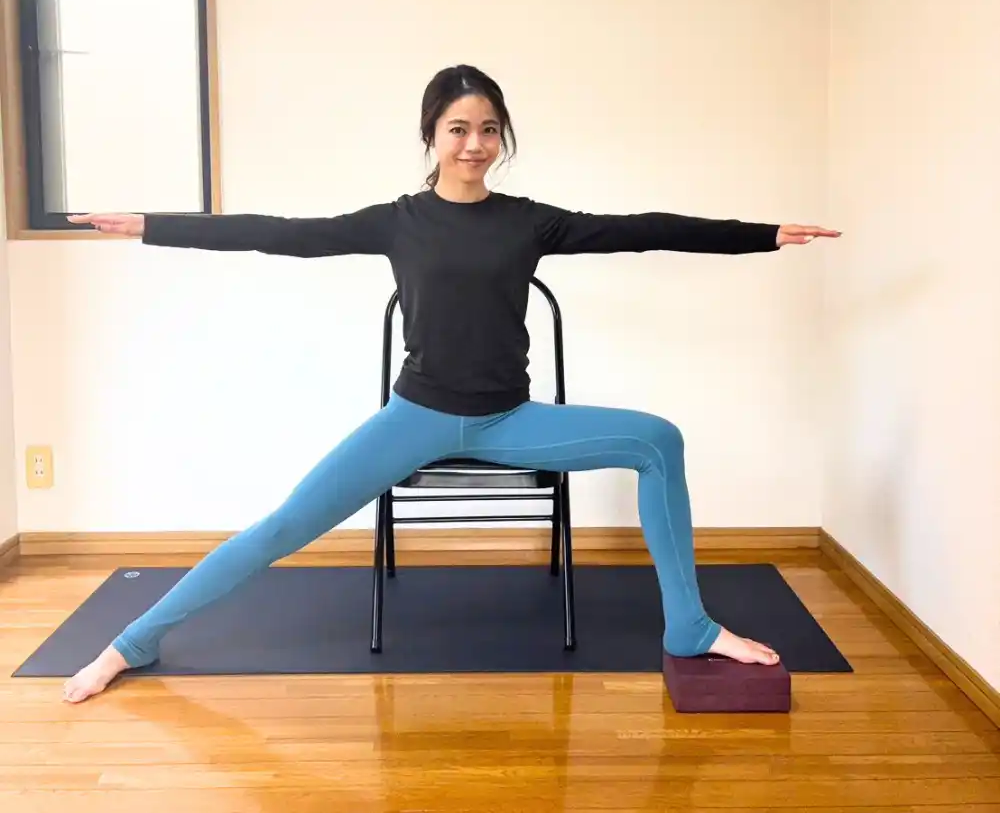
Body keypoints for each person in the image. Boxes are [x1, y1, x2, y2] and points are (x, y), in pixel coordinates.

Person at [62, 64, 839, 703]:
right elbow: (278, 235)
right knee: (280, 529)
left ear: (503, 138)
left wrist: (764, 236)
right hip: (415, 418)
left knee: (658, 441)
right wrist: (153, 225)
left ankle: (690, 627)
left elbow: (644, 231)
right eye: (459, 128)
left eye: (488, 129)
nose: (474, 144)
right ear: (432, 136)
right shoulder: (398, 220)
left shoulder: (530, 221)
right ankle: (133, 643)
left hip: (510, 421)